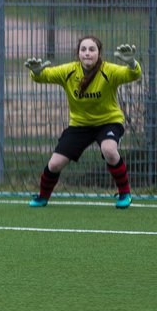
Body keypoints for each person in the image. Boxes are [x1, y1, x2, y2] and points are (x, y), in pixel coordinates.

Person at [24, 37, 140, 208]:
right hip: (80, 125)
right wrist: (36, 72)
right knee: (55, 164)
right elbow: (42, 76)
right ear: (78, 53)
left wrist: (132, 63)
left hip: (109, 121)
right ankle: (42, 196)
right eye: (83, 49)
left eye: (92, 49)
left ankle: (125, 193)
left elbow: (133, 74)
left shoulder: (108, 71)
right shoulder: (69, 71)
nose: (87, 53)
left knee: (109, 150)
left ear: (99, 53)